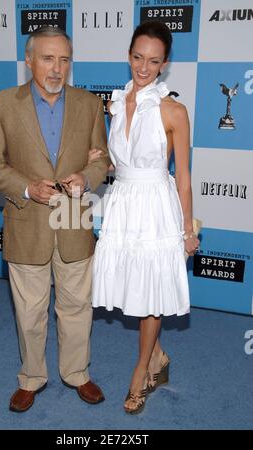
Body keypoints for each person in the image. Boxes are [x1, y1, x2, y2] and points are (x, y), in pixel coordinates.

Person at [0, 27, 110, 412]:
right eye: (48, 58)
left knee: (77, 306)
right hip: (27, 223)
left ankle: (77, 373)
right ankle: (32, 378)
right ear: (29, 61)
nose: (57, 68)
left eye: (64, 59)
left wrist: (87, 177)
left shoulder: (88, 104)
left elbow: (101, 158)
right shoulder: (1, 104)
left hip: (73, 219)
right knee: (30, 310)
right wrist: (26, 188)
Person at [91, 21, 200, 414]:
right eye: (138, 57)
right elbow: (115, 157)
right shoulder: (114, 104)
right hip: (123, 201)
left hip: (156, 205)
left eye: (153, 61)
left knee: (151, 291)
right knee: (132, 287)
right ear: (129, 55)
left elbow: (184, 176)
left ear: (165, 64)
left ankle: (141, 372)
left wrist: (188, 229)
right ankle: (157, 357)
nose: (143, 67)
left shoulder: (174, 110)